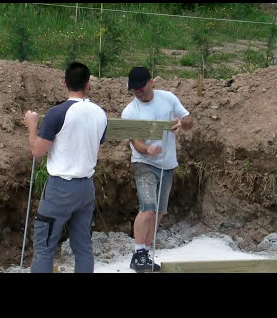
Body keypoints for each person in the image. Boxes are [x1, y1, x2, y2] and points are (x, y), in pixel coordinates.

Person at [23, 62, 107, 273]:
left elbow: (38, 151)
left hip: (60, 188)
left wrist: (32, 126)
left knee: (44, 248)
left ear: (64, 83)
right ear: (88, 84)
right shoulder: (100, 114)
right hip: (86, 187)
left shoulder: (58, 113)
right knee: (83, 247)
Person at [121, 67, 193, 272]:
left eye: (141, 88)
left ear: (151, 82)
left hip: (167, 165)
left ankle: (144, 252)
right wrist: (148, 150)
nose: (137, 92)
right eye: (133, 89)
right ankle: (139, 253)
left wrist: (181, 123)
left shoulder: (168, 98)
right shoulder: (130, 112)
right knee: (148, 207)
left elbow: (188, 120)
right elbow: (136, 143)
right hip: (144, 163)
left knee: (159, 212)